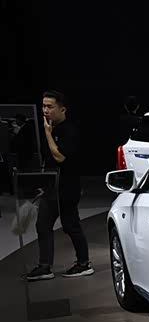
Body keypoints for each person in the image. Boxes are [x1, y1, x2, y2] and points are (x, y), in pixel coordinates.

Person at [26, 90, 93, 281]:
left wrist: (48, 134)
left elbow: (60, 157)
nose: (45, 110)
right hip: (51, 187)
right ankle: (45, 266)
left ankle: (84, 264)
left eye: (50, 106)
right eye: (43, 106)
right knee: (43, 224)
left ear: (62, 109)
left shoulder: (70, 130)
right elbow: (48, 160)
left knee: (71, 225)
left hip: (67, 187)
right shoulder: (50, 128)